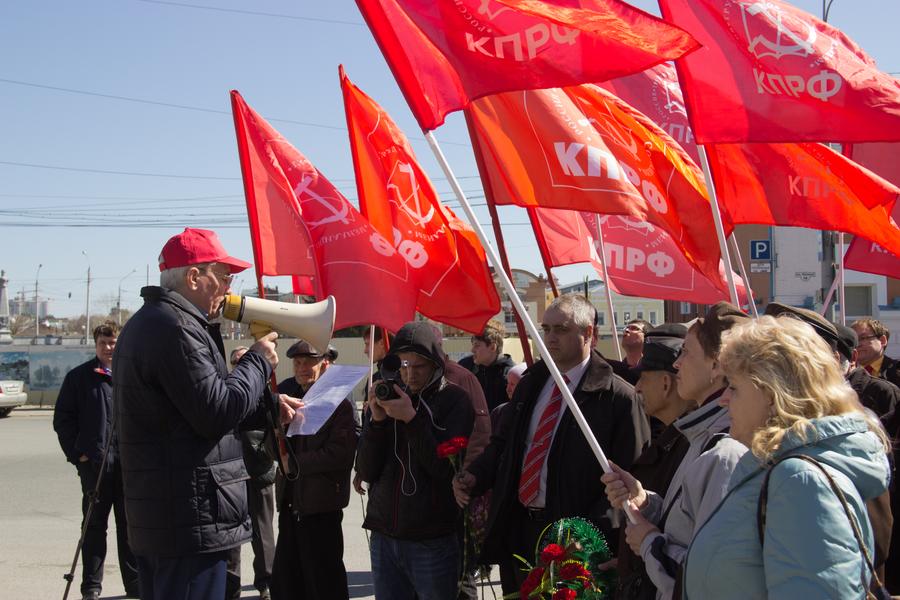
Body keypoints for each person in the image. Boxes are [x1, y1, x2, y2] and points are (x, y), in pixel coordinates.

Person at [113, 227, 300, 600]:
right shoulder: (176, 328)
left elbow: (192, 407)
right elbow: (215, 412)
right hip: (189, 520)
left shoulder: (154, 322)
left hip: (171, 517)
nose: (229, 286)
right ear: (194, 276)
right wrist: (259, 362)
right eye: (225, 275)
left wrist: (266, 406)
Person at [454, 294, 650, 595]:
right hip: (519, 531)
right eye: (546, 329)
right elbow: (503, 444)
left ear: (588, 334)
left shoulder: (618, 397)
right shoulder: (532, 383)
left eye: (561, 329)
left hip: (575, 544)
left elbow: (632, 478)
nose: (551, 337)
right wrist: (474, 476)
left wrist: (588, 536)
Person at [682, 316, 891, 598]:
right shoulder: (782, 471)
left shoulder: (800, 481)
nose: (723, 399)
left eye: (733, 386)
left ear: (771, 393)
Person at [602, 302, 749, 600]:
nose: (678, 363)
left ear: (715, 365)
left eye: (687, 352)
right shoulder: (699, 433)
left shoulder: (725, 446)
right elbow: (688, 520)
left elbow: (706, 577)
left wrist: (648, 542)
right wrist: (645, 502)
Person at [356, 321, 474, 600]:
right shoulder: (389, 396)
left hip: (431, 539)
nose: (409, 374)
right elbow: (366, 469)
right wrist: (378, 422)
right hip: (385, 536)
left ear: (435, 364)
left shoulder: (455, 400)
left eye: (419, 366)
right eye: (404, 365)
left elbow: (444, 470)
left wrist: (412, 419)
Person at [53, 320, 140, 600]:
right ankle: (91, 586)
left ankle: (135, 584)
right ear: (96, 345)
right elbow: (63, 420)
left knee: (130, 530)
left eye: (113, 342)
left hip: (129, 468)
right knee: (93, 529)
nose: (108, 347)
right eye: (103, 343)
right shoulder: (79, 378)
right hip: (95, 468)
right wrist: (78, 455)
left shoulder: (132, 377)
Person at [270, 339, 357, 600]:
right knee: (288, 583)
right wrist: (276, 427)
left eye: (309, 362)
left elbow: (340, 454)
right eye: (298, 362)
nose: (302, 367)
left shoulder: (338, 403)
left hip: (321, 507)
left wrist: (296, 464)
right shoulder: (290, 397)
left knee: (323, 582)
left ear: (325, 364)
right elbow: (274, 449)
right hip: (290, 504)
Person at [612, 324, 693, 600]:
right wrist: (642, 499)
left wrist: (647, 544)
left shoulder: (696, 448)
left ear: (666, 383)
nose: (636, 388)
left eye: (643, 378)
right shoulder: (676, 442)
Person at [224, 346, 276, 600]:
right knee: (230, 536)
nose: (240, 364)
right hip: (231, 475)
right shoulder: (226, 391)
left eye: (245, 360)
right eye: (236, 361)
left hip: (259, 470)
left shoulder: (265, 391)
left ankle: (266, 583)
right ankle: (230, 588)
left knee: (262, 531)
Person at [458, 318, 516, 412]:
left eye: (477, 345)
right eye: (472, 345)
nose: (472, 350)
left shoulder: (510, 376)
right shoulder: (465, 367)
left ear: (492, 347)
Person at [851, 317, 900, 388]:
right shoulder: (845, 373)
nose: (858, 344)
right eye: (854, 340)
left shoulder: (896, 371)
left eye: (863, 338)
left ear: (882, 341)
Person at [606, 319, 652, 385]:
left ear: (646, 338)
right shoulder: (615, 372)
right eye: (626, 328)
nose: (626, 330)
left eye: (634, 328)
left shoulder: (653, 372)